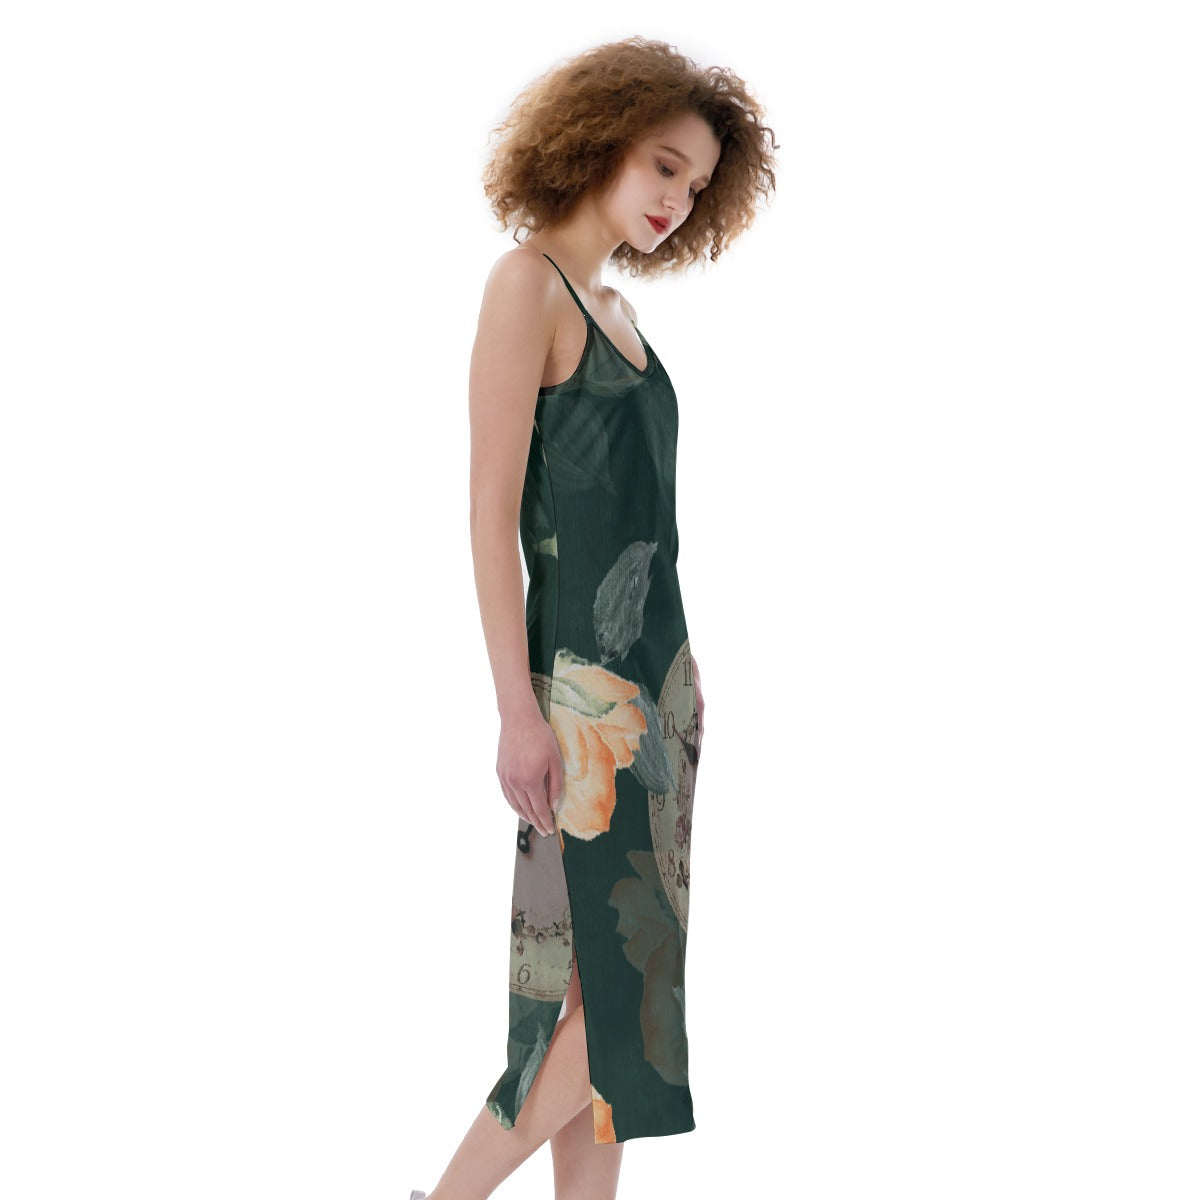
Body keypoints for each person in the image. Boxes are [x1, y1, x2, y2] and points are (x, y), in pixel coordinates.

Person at [412, 36, 777, 1200]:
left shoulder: (618, 308)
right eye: (664, 166)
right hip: (581, 698)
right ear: (600, 139)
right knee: (621, 995)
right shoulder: (528, 285)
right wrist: (515, 711)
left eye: (697, 184)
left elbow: (649, 528)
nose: (678, 199)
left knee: (603, 992)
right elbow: (487, 517)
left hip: (657, 694)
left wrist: (688, 676)